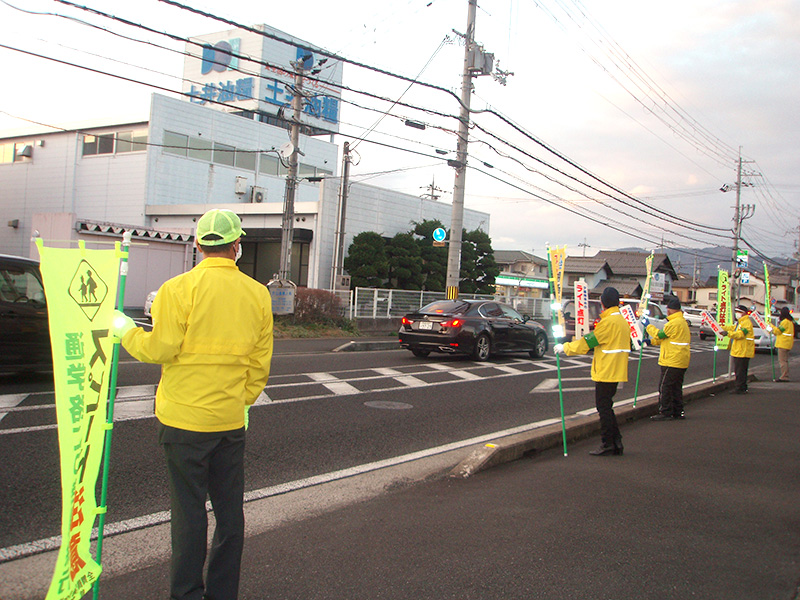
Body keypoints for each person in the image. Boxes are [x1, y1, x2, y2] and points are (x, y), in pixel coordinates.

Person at [113, 208, 273, 600]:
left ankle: (186, 594)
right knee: (229, 515)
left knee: (188, 515)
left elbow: (160, 349)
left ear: (199, 245)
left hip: (182, 421)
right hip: (230, 421)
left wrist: (126, 332)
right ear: (237, 246)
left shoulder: (177, 290)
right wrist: (241, 403)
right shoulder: (257, 294)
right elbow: (259, 364)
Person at [554, 287, 630, 456]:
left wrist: (564, 347)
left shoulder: (608, 322)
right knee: (607, 407)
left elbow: (588, 342)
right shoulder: (621, 321)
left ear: (603, 302)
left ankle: (608, 444)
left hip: (606, 370)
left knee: (603, 408)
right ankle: (616, 443)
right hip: (616, 369)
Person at [646, 295, 691, 420]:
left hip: (672, 360)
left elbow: (659, 335)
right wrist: (650, 342)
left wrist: (648, 326)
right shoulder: (681, 322)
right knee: (676, 387)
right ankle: (677, 411)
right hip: (680, 360)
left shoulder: (674, 323)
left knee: (665, 386)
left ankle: (665, 412)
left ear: (670, 309)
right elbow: (666, 339)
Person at [721, 305, 755, 394]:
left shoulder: (746, 323)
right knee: (740, 370)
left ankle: (740, 388)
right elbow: (731, 328)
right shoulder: (740, 322)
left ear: (744, 313)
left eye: (739, 312)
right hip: (740, 350)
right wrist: (721, 327)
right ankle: (741, 387)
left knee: (740, 371)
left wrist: (727, 333)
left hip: (743, 351)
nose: (737, 314)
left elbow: (740, 334)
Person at [769, 306, 795, 382]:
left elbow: (778, 331)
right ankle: (785, 375)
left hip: (783, 344)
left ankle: (784, 376)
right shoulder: (790, 322)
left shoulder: (785, 322)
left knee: (782, 361)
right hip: (788, 344)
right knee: (785, 361)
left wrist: (771, 326)